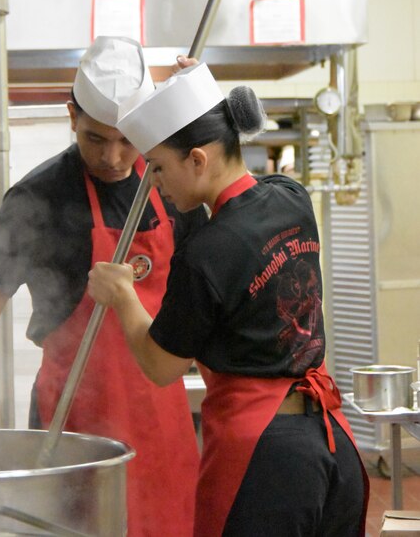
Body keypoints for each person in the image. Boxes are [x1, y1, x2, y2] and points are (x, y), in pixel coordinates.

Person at [0, 37, 207, 537]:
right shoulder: (38, 198)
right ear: (71, 116)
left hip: (163, 421)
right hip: (74, 423)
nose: (113, 157)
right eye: (96, 139)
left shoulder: (169, 182)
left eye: (127, 139)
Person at [88, 62, 370, 537]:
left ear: (197, 159)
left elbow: (162, 366)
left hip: (267, 459)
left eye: (158, 166)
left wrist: (122, 295)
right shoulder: (292, 195)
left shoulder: (205, 252)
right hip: (331, 441)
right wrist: (203, 90)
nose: (154, 182)